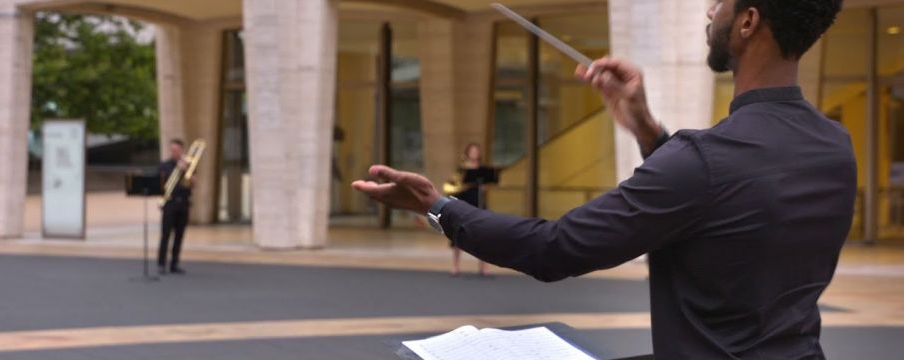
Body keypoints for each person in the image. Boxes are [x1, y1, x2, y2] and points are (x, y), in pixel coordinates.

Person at [353, 0, 851, 357]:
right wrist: (645, 127)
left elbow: (554, 249)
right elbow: (724, 202)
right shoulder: (834, 146)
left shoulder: (705, 160)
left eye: (719, 2)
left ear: (747, 22)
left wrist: (435, 205)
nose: (707, 11)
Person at [444, 143, 489, 277]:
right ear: (468, 153)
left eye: (477, 151)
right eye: (472, 151)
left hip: (478, 202)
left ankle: (484, 266)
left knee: (483, 234)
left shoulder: (483, 170)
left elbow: (487, 185)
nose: (475, 153)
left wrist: (484, 187)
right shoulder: (461, 170)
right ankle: (455, 265)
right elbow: (451, 185)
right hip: (464, 201)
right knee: (458, 233)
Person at [158, 139, 193, 275]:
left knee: (179, 235)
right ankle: (161, 264)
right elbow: (160, 183)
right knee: (165, 235)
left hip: (183, 203)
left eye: (177, 150)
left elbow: (193, 184)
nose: (174, 152)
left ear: (182, 151)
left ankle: (175, 263)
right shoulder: (164, 165)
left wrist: (185, 171)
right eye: (172, 150)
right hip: (169, 203)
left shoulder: (188, 165)